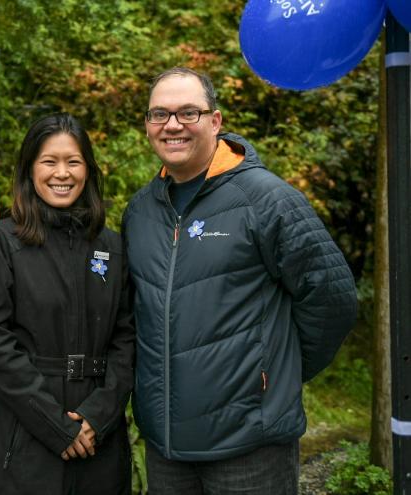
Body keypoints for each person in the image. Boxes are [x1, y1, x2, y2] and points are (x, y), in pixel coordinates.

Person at [122, 67, 358, 494]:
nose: (172, 125)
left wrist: (274, 374)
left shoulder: (267, 199)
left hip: (250, 447)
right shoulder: (140, 213)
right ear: (147, 125)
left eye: (188, 113)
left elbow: (333, 298)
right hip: (167, 450)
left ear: (216, 121)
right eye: (160, 114)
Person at [0, 113, 135, 494]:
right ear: (30, 169)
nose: (62, 173)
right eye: (49, 161)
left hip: (99, 437)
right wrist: (55, 426)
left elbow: (126, 339)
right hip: (27, 433)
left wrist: (99, 415)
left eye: (73, 161)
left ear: (88, 170)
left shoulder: (110, 246)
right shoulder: (2, 241)